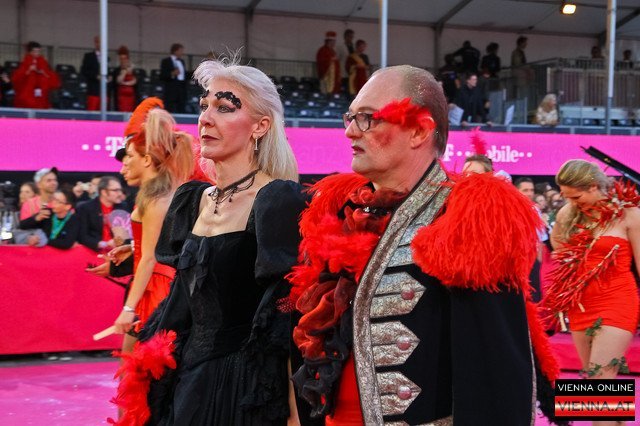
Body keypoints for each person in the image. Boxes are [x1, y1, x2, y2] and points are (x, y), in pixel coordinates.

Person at [289, 65, 559, 425]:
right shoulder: (342, 209)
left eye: (368, 118)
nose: (350, 130)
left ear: (419, 130)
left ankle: (607, 409)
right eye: (350, 117)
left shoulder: (468, 214)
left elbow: (494, 370)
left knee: (602, 375)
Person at [110, 59, 306, 426]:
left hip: (243, 390)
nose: (206, 118)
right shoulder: (191, 201)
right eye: (204, 106)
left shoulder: (277, 200)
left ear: (260, 126)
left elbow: (288, 315)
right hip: (185, 381)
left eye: (225, 107)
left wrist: (294, 414)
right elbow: (179, 305)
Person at [543, 160, 640, 390]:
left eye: (576, 197)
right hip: (581, 305)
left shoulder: (629, 214)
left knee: (600, 375)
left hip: (617, 300)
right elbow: (559, 250)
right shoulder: (568, 213)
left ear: (594, 186)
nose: (572, 202)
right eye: (567, 197)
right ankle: (604, 413)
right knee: (592, 378)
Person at [76, 176, 129, 252]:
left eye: (120, 190)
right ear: (103, 192)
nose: (120, 193)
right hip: (93, 251)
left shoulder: (123, 207)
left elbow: (128, 233)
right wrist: (104, 244)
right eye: (115, 190)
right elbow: (82, 236)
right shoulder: (86, 208)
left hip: (118, 251)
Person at [11, 41, 60, 109]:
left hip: (42, 99)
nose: (37, 53)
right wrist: (28, 71)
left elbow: (54, 83)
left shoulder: (44, 66)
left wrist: (44, 74)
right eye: (35, 51)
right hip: (27, 99)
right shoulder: (24, 66)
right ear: (29, 52)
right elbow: (16, 80)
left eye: (38, 51)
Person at [160, 43, 187, 113]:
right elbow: (162, 75)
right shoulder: (166, 61)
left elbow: (184, 74)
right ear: (175, 51)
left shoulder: (182, 61)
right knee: (169, 108)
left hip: (181, 87)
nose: (182, 53)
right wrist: (172, 74)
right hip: (171, 88)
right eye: (180, 51)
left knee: (181, 107)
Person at [80, 36, 106, 111]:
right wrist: (95, 76)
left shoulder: (106, 57)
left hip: (104, 91)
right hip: (93, 90)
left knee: (103, 111)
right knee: (92, 111)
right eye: (98, 42)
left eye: (101, 42)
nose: (99, 44)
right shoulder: (88, 56)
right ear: (95, 43)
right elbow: (84, 71)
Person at [111, 46, 137, 112]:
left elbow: (134, 81)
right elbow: (118, 81)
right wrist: (125, 71)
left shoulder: (132, 70)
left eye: (124, 59)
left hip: (130, 97)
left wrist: (125, 83)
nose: (123, 61)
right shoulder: (117, 70)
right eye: (121, 59)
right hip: (121, 97)